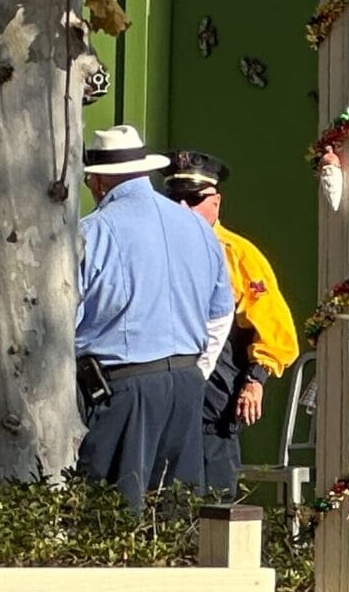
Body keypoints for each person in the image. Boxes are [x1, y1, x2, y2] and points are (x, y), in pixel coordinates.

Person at [74, 123, 233, 510]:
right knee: (175, 515)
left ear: (96, 182)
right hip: (186, 382)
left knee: (113, 520)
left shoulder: (93, 231)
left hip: (123, 386)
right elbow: (220, 313)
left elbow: (65, 316)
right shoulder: (198, 228)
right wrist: (198, 368)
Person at [164, 148, 299, 495]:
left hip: (214, 394)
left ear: (216, 202)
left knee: (216, 493)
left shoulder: (237, 254)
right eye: (174, 197)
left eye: (194, 199)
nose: (183, 208)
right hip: (160, 386)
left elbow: (274, 328)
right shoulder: (154, 245)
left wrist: (256, 380)